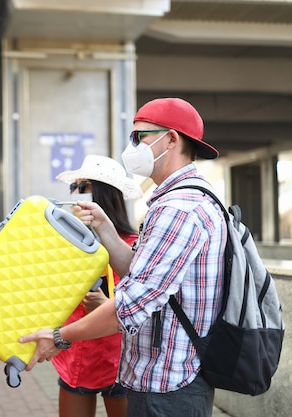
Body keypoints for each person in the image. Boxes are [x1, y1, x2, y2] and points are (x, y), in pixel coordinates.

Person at [20, 97, 225, 417]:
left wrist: (58, 336)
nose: (133, 146)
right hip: (158, 377)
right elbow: (138, 271)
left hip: (167, 384)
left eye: (139, 137)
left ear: (171, 139)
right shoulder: (176, 201)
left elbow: (132, 302)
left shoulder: (179, 209)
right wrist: (103, 225)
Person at [53, 155, 141, 417]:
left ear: (104, 194)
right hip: (73, 356)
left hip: (118, 361)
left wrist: (109, 307)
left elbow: (144, 301)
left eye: (83, 186)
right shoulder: (64, 244)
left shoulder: (134, 246)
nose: (75, 194)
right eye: (74, 187)